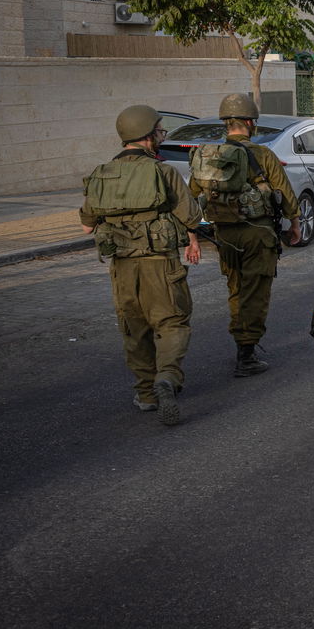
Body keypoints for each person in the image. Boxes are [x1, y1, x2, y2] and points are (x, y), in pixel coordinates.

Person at [80, 104, 203, 426]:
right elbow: (191, 216)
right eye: (160, 132)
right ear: (148, 137)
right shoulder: (164, 172)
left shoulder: (101, 173)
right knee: (172, 323)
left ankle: (147, 394)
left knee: (134, 329)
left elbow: (86, 225)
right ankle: (167, 378)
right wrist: (191, 236)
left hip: (121, 267)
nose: (161, 137)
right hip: (161, 264)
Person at [189, 93, 300, 377]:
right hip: (258, 235)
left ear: (226, 123)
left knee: (236, 289)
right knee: (256, 292)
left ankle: (241, 340)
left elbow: (192, 197)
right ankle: (246, 353)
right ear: (251, 123)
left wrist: (192, 236)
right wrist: (295, 224)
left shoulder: (209, 157)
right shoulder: (263, 154)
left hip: (224, 235)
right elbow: (285, 195)